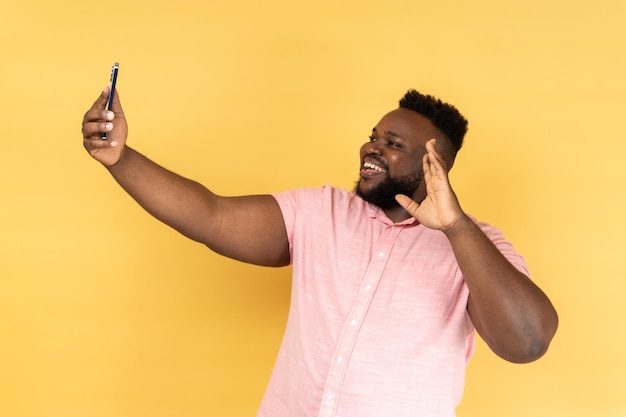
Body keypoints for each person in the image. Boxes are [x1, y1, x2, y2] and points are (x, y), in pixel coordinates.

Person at [82, 86, 558, 417]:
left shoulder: (478, 247)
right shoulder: (322, 211)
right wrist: (120, 157)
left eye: (392, 144)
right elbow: (213, 216)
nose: (371, 147)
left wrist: (455, 226)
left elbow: (528, 342)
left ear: (433, 164)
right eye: (373, 135)